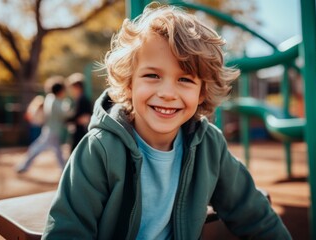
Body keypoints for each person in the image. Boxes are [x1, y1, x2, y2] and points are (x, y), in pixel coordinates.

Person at [43, 4, 291, 239]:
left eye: (185, 80)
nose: (168, 93)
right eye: (152, 75)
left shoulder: (209, 146)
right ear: (130, 84)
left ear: (201, 92)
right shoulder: (100, 150)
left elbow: (255, 214)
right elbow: (67, 230)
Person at [16, 76, 71, 173]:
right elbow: (64, 115)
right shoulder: (55, 101)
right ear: (60, 91)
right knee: (39, 149)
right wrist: (67, 105)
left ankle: (24, 166)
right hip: (53, 131)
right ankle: (23, 166)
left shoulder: (50, 98)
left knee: (56, 152)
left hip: (50, 130)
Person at [66, 72, 93, 151]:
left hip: (81, 132)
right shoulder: (80, 99)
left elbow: (82, 117)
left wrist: (66, 119)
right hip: (79, 130)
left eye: (72, 87)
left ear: (77, 87)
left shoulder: (82, 99)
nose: (71, 90)